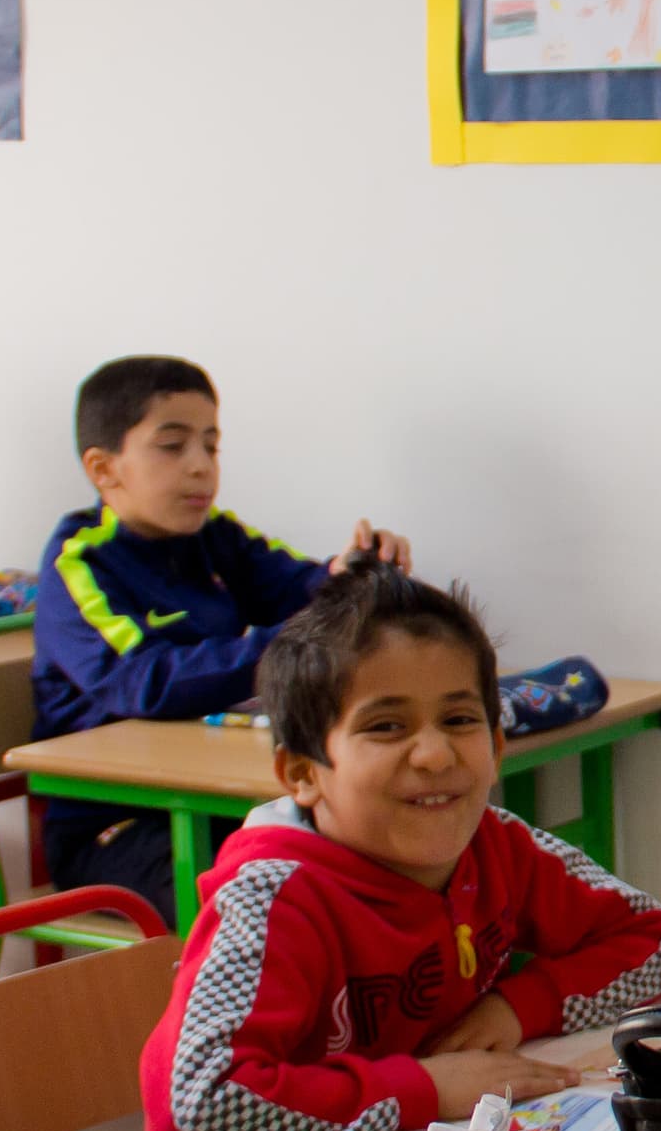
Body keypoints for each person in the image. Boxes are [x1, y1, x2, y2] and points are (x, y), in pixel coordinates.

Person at [139, 565, 661, 1131]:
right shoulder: (273, 897)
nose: (433, 755)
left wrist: (516, 1008)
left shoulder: (497, 844)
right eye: (385, 727)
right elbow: (196, 1112)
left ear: (497, 748)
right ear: (302, 774)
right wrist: (425, 1090)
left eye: (458, 720)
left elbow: (658, 940)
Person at [28, 355, 411, 921]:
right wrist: (290, 645)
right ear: (103, 468)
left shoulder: (216, 537)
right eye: (172, 445)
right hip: (117, 827)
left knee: (364, 851)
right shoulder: (80, 565)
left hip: (219, 802)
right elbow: (142, 683)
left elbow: (303, 588)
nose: (200, 467)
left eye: (211, 446)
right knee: (258, 900)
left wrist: (354, 573)